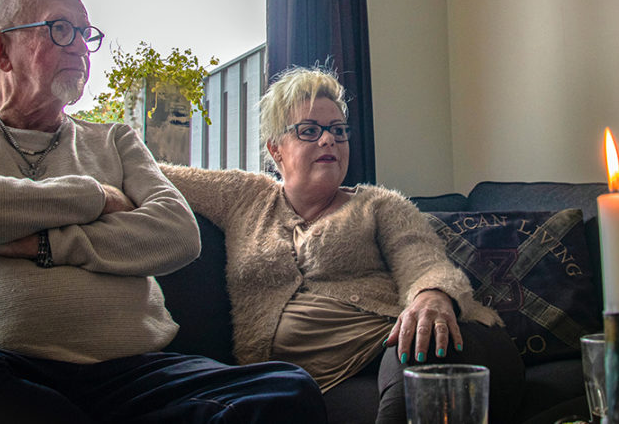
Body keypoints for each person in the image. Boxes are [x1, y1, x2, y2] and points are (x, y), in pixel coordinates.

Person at [0, 0, 325, 424]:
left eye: (87, 35)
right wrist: (95, 196)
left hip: (133, 374)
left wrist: (46, 244)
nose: (82, 47)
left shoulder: (116, 140)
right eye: (61, 30)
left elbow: (177, 234)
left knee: (288, 390)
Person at [163, 67, 525, 424]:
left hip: (417, 347)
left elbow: (423, 259)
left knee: (421, 352)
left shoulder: (378, 205)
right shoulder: (244, 197)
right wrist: (110, 197)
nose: (328, 140)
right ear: (276, 149)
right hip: (317, 383)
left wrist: (431, 295)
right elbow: (151, 172)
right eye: (309, 131)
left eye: (338, 130)